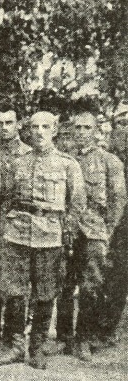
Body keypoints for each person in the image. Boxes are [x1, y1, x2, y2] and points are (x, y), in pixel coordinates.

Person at [0, 111, 86, 369]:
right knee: (14, 292)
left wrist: (66, 234)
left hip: (50, 235)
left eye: (46, 127)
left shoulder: (69, 165)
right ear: (28, 131)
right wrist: (5, 231)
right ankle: (15, 346)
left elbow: (77, 204)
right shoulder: (18, 162)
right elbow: (7, 199)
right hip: (17, 233)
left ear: (54, 130)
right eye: (35, 127)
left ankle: (36, 349)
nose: (40, 131)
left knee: (46, 294)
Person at [55, 108, 126, 361]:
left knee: (91, 286)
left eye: (87, 128)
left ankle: (84, 338)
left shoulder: (110, 162)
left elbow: (118, 201)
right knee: (63, 283)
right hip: (67, 229)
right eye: (78, 128)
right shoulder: (63, 159)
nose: (82, 133)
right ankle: (63, 338)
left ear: (96, 131)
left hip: (94, 232)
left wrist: (106, 231)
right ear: (72, 130)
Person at [0, 100, 31, 345]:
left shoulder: (28, 154)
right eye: (0, 123)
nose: (4, 127)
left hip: (16, 222)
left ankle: (14, 333)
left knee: (15, 279)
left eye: (9, 122)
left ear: (18, 124)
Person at [96, 101, 128, 348]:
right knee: (106, 274)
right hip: (109, 223)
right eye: (122, 124)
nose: (125, 130)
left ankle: (108, 328)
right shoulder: (105, 157)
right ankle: (100, 327)